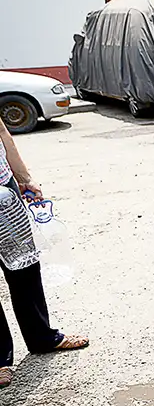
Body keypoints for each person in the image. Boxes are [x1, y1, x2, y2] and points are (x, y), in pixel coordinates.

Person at [0, 120, 88, 389]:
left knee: (24, 268)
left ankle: (42, 337)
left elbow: (1, 131)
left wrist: (24, 179)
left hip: (4, 190)